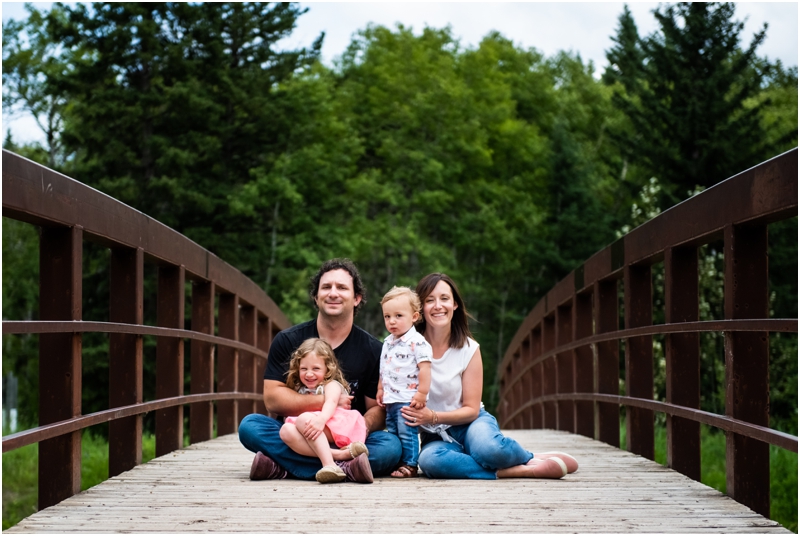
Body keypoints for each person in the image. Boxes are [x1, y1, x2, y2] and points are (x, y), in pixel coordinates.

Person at [399, 273, 579, 480]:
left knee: (490, 449)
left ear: (455, 304)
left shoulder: (469, 349)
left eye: (444, 299)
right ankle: (521, 468)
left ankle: (526, 457)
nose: (438, 305)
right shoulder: (406, 348)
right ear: (420, 309)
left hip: (470, 425)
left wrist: (433, 417)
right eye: (429, 300)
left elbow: (471, 410)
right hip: (435, 436)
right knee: (430, 461)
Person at [238, 259, 402, 483]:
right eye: (326, 287)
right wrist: (327, 402)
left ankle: (280, 466)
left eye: (342, 287)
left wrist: (362, 426)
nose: (333, 293)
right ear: (316, 297)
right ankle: (345, 466)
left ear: (357, 298)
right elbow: (273, 400)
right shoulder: (288, 340)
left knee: (391, 447)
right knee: (250, 426)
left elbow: (377, 410)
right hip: (296, 433)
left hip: (344, 437)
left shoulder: (374, 349)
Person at [280, 338, 370, 483]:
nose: (309, 374)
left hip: (338, 426)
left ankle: (329, 465)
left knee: (303, 419)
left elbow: (331, 402)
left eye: (316, 369)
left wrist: (321, 419)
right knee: (285, 430)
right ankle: (340, 456)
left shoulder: (331, 385)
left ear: (328, 368)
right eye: (304, 369)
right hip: (319, 431)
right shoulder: (301, 389)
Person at [376, 286, 432, 478]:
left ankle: (410, 464)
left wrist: (422, 394)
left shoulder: (417, 342)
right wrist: (380, 388)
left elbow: (425, 369)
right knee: (393, 431)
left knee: (407, 432)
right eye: (387, 316)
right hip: (391, 397)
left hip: (409, 397)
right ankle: (399, 461)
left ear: (414, 316)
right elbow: (384, 367)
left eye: (398, 316)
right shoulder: (387, 342)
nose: (392, 321)